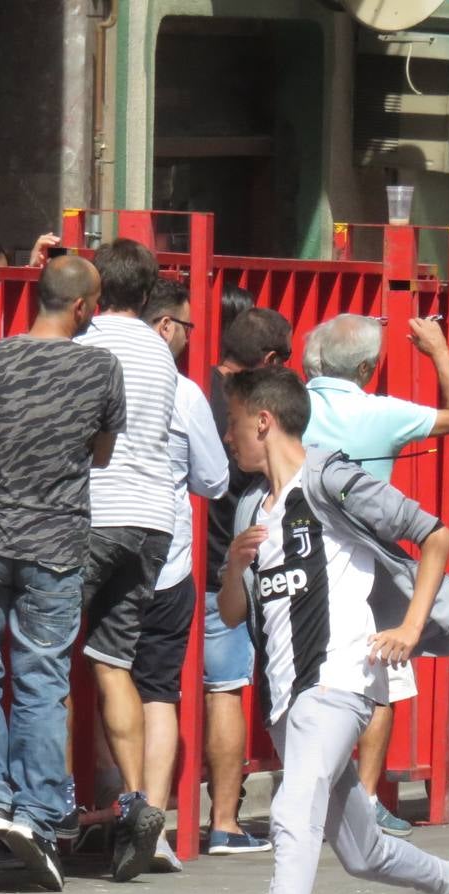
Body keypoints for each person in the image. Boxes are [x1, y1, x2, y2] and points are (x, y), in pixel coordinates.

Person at [203, 367, 449, 894]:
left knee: (293, 810)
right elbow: (228, 610)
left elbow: (435, 534)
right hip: (288, 699)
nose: (228, 435)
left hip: (341, 680)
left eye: (234, 422)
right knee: (361, 852)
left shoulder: (331, 477)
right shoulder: (253, 511)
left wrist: (412, 627)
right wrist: (233, 568)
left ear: (264, 421)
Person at [0, 254, 125, 891]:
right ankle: (36, 811)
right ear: (85, 307)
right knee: (41, 677)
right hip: (57, 542)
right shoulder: (99, 365)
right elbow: (104, 453)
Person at [302, 311, 449, 837]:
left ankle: (310, 794)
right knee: (383, 677)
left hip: (299, 554)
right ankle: (365, 802)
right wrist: (439, 350)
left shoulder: (295, 404)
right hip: (366, 562)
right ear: (369, 368)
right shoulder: (380, 411)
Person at [72, 238, 182, 883]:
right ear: (146, 295)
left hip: (97, 510)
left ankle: (50, 795)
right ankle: (137, 798)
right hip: (154, 520)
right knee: (113, 661)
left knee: (50, 651)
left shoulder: (87, 346)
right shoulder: (161, 355)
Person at [137, 280, 230, 872]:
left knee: (97, 675)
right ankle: (151, 819)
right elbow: (215, 480)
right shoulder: (183, 391)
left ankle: (97, 808)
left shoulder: (91, 364)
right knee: (158, 691)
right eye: (190, 328)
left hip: (90, 546)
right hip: (165, 557)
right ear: (167, 326)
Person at [201, 305, 292, 855]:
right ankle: (225, 821)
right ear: (271, 360)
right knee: (229, 689)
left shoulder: (193, 387)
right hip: (235, 561)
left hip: (182, 558)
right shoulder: (253, 408)